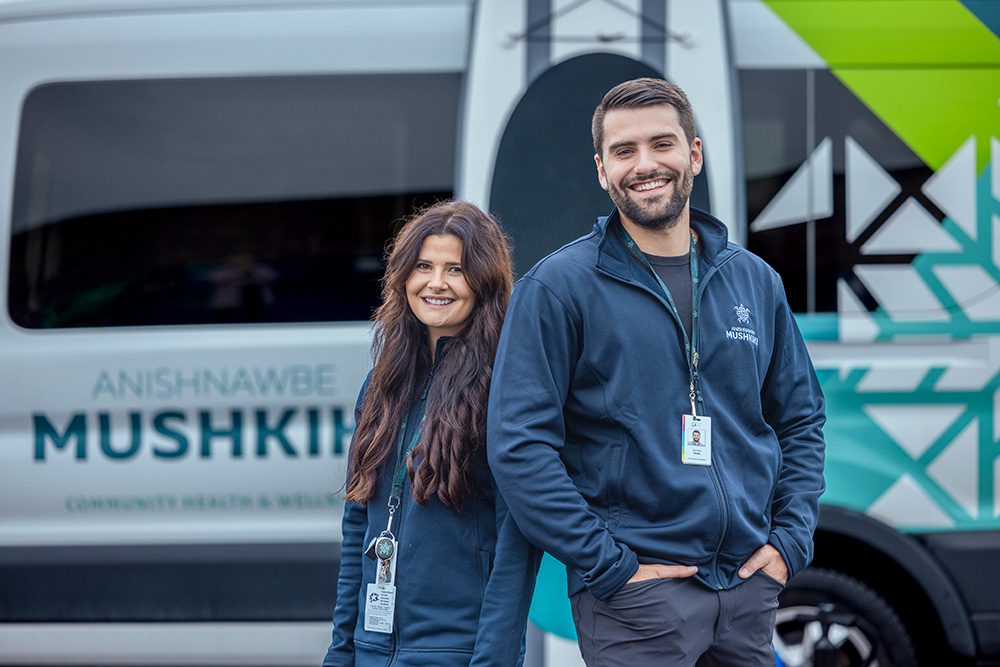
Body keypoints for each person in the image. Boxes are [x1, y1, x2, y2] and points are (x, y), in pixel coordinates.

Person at [487, 78, 826, 666]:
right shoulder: (558, 288)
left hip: (746, 588)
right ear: (601, 169)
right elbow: (518, 447)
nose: (645, 165)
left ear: (693, 153)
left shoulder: (754, 280)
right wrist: (608, 564)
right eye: (624, 151)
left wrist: (788, 543)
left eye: (661, 144)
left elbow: (800, 418)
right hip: (636, 601)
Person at [323, 201, 539, 667]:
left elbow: (515, 546)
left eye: (455, 269)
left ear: (483, 282)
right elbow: (357, 526)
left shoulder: (505, 386)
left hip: (457, 652)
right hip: (372, 650)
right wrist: (341, 651)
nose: (436, 283)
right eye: (423, 266)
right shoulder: (383, 382)